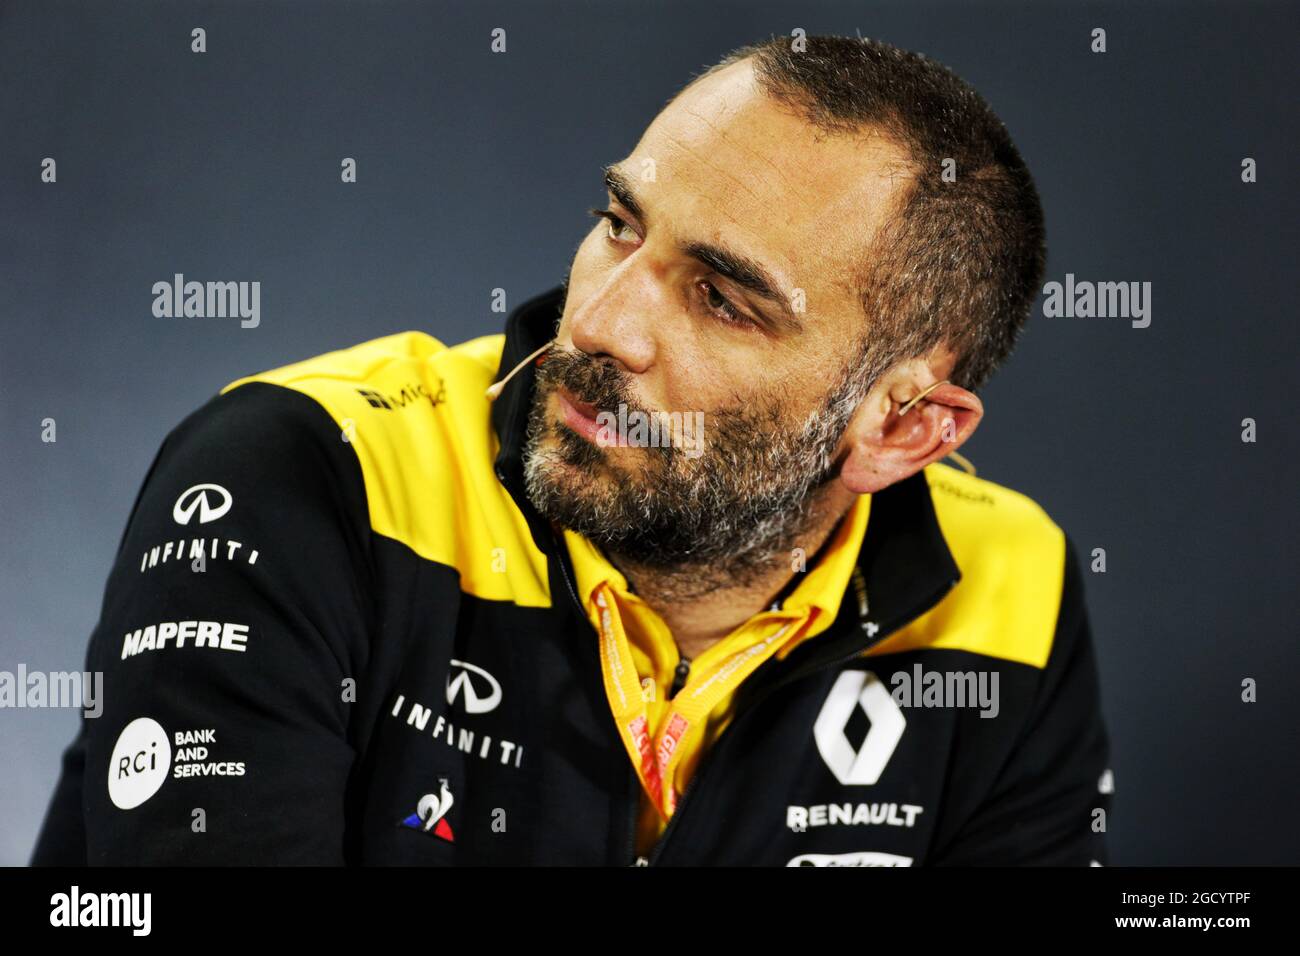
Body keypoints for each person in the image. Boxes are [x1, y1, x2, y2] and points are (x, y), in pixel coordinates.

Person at [32, 34, 1111, 866]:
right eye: (619, 223)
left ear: (901, 428)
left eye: (723, 301)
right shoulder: (307, 471)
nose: (595, 324)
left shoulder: (1012, 588)